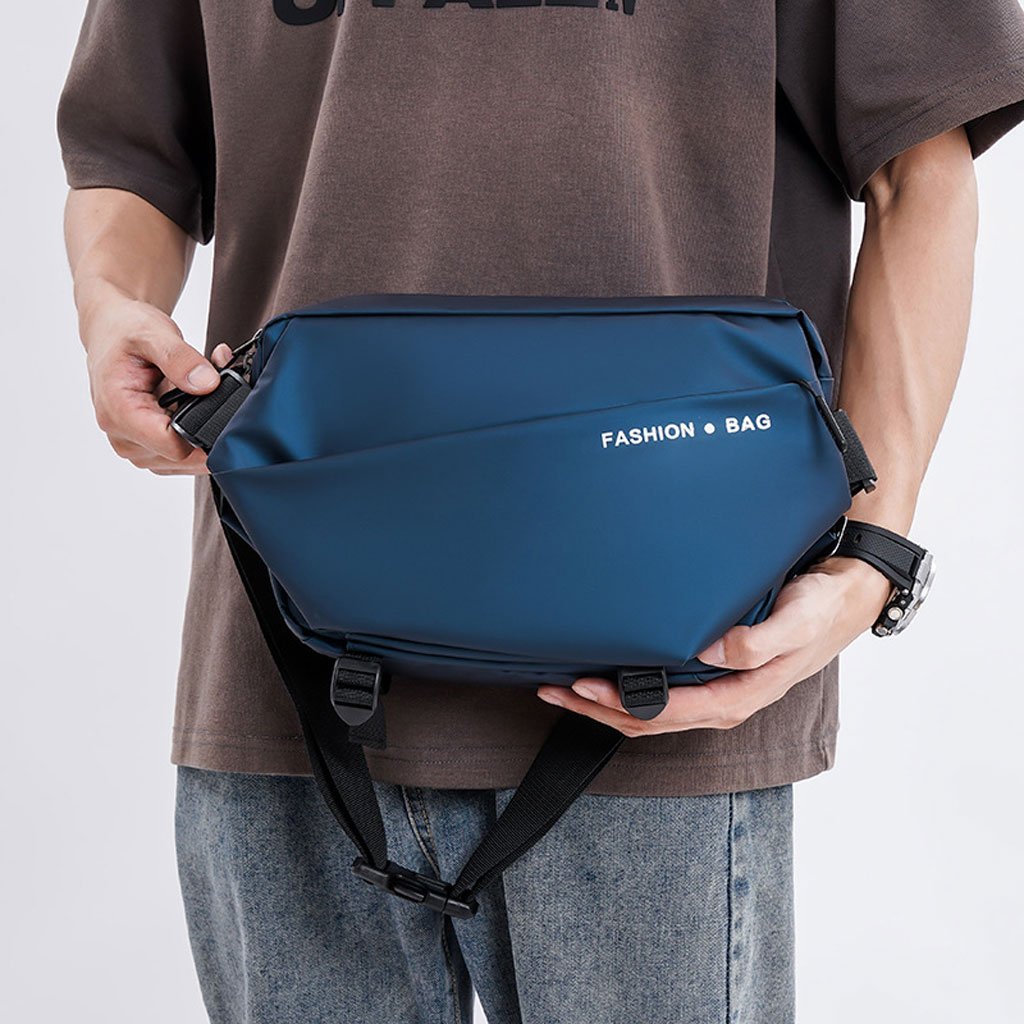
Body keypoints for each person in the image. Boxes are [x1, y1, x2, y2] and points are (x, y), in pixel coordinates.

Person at [57, 2, 1024, 1021]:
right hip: (290, 675)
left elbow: (919, 163)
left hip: (670, 696)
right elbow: (134, 152)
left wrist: (872, 555)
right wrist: (109, 306)